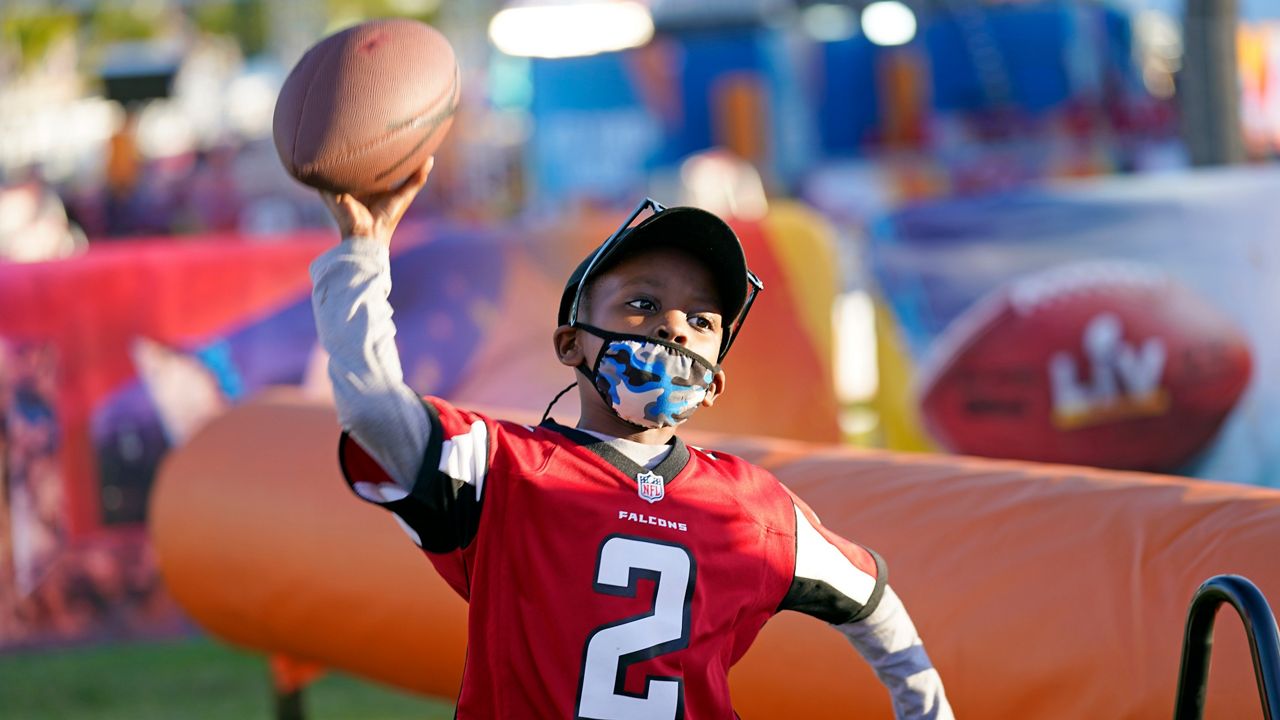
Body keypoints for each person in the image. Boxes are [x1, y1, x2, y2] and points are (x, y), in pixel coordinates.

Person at [309, 158, 953, 719]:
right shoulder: (502, 467)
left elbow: (873, 600)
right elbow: (372, 408)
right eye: (642, 304)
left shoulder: (758, 508)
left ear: (715, 382)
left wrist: (926, 709)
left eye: (701, 320)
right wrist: (361, 255)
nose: (673, 328)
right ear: (570, 344)